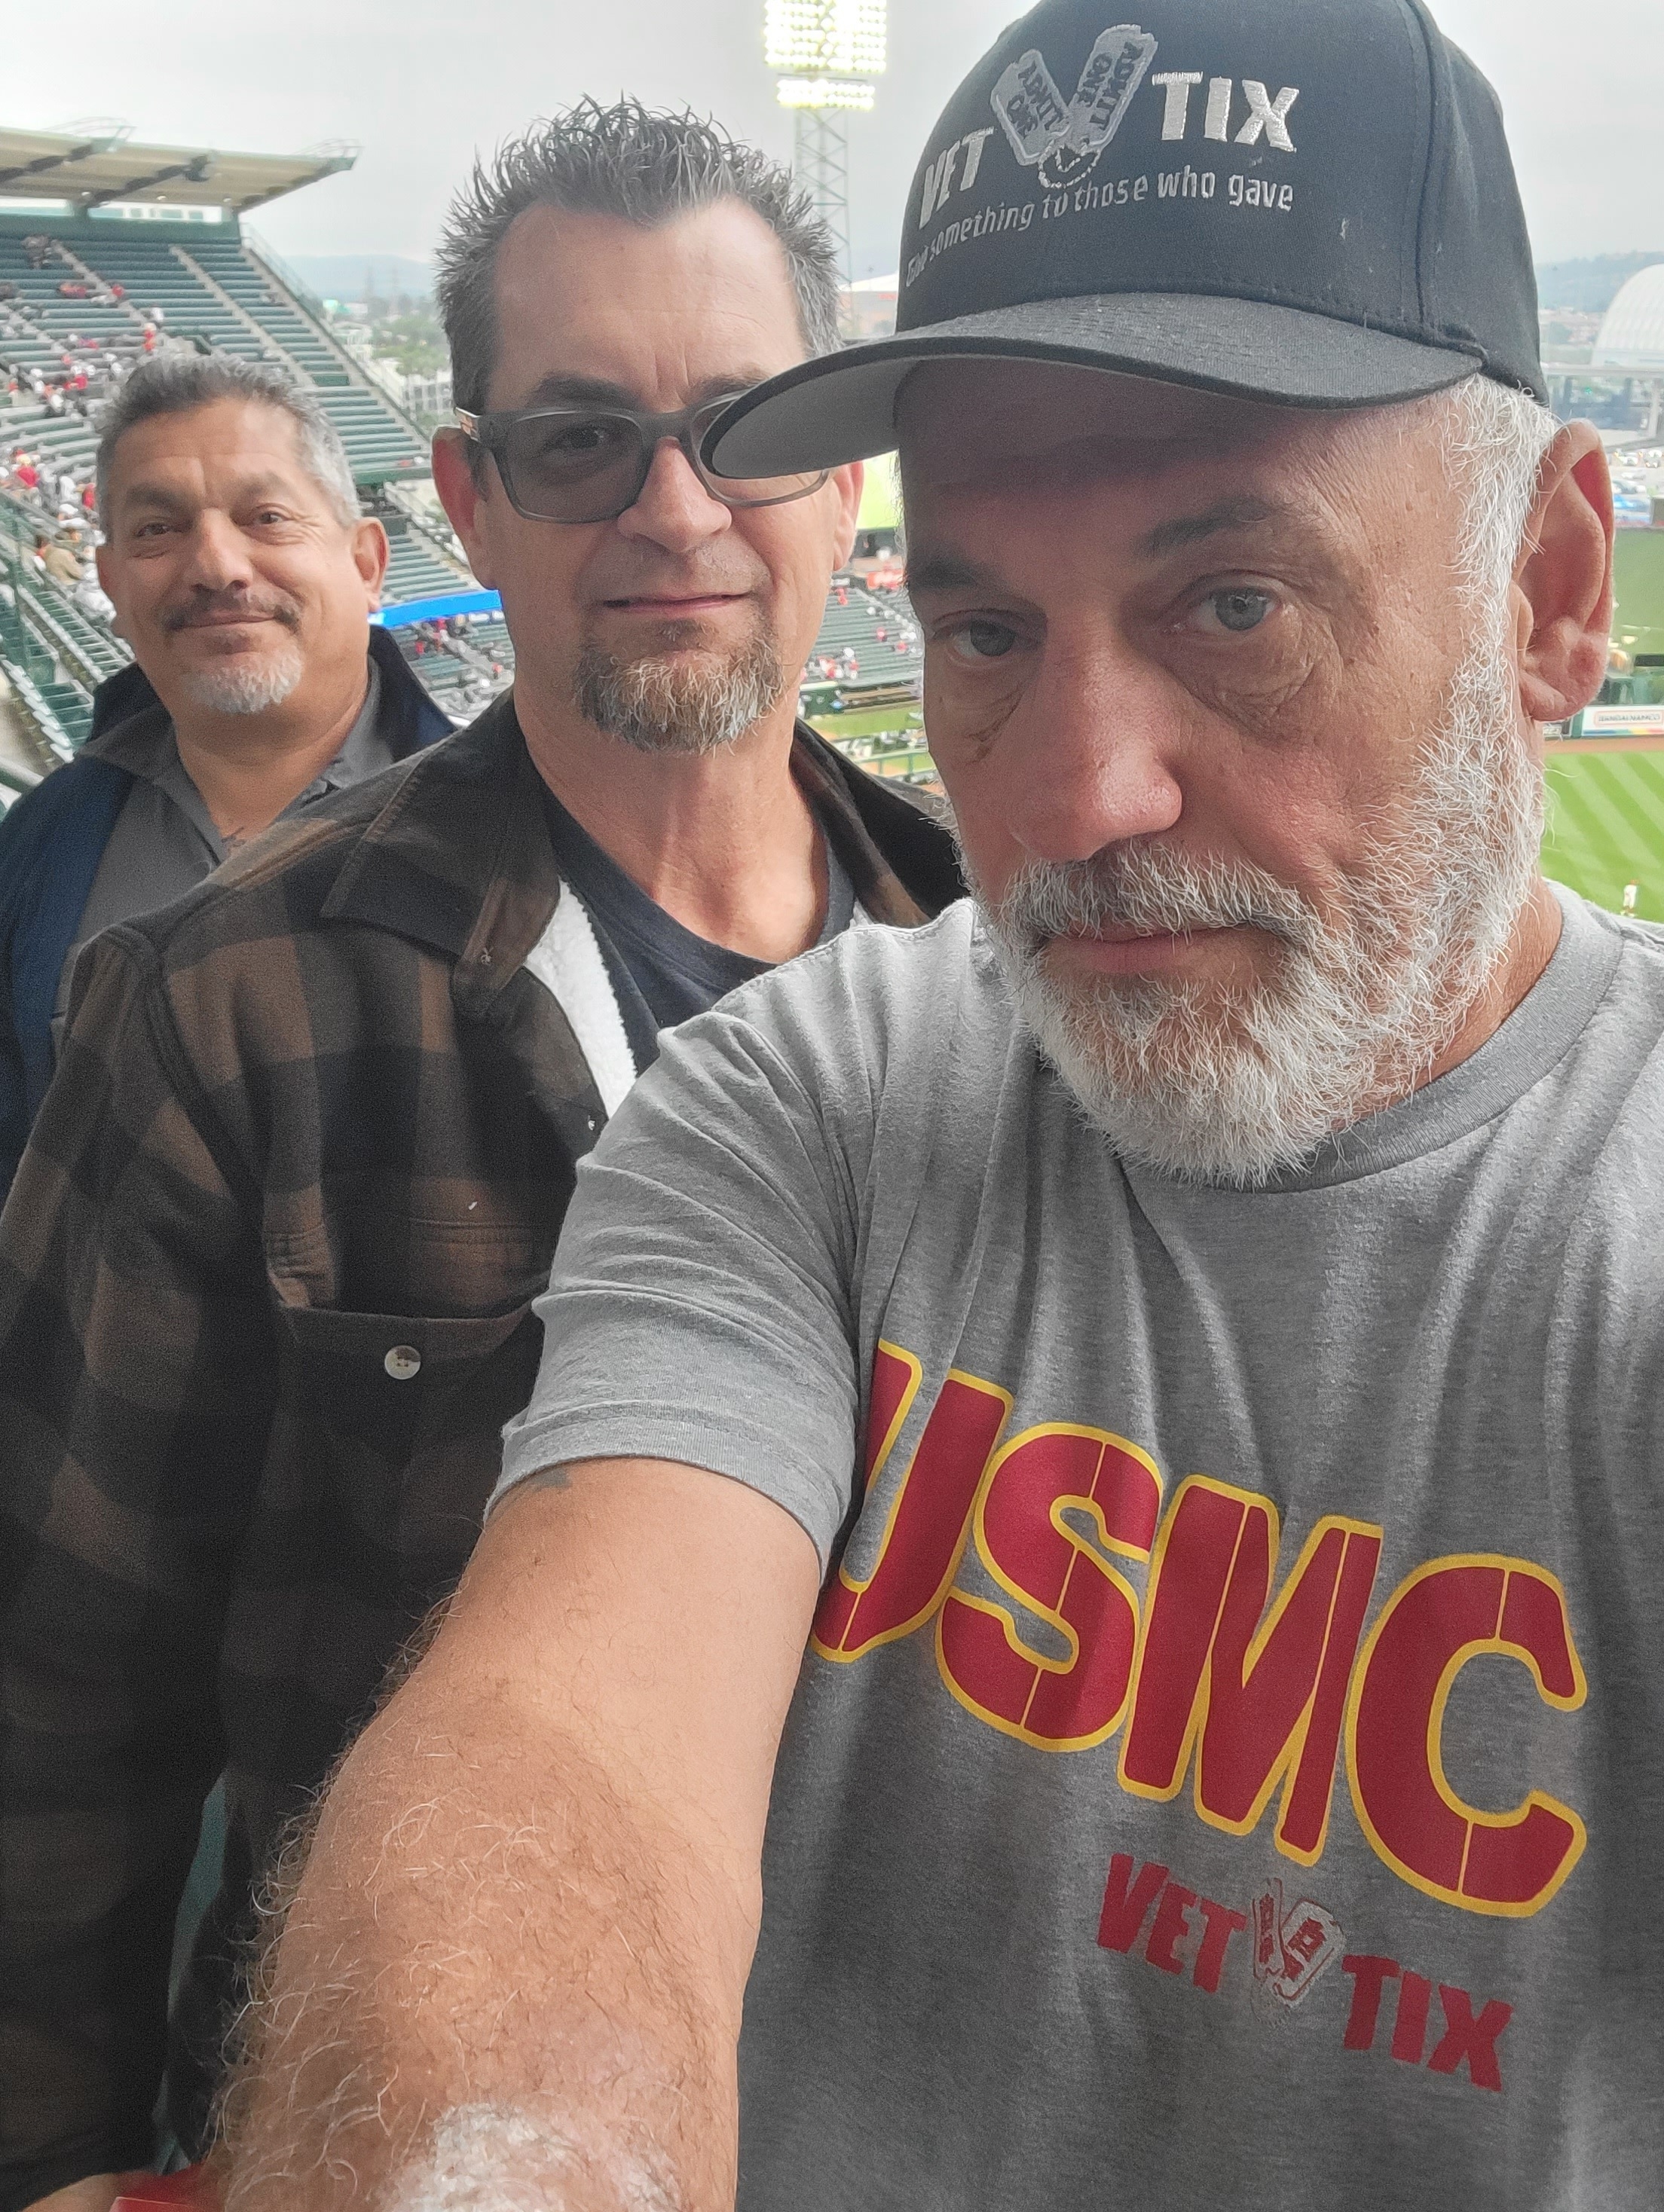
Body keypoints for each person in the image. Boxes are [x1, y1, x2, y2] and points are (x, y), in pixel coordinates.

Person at [219, 3, 1659, 2210]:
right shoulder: (804, 1102)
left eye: (1235, 603)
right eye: (984, 635)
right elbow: (561, 1765)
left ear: (1548, 593)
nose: (1072, 800)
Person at [0, 100, 959, 2212]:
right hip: (420, 2143)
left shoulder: (989, 981)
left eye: (744, 429)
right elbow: (61, 1703)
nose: (674, 506)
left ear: (842, 476)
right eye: (580, 438)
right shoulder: (218, 1006)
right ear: (470, 496)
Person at [0, 350, 445, 1200]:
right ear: (111, 583)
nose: (216, 566)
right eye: (156, 531)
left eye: (267, 517)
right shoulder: (35, 852)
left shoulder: (513, 822)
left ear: (366, 563)